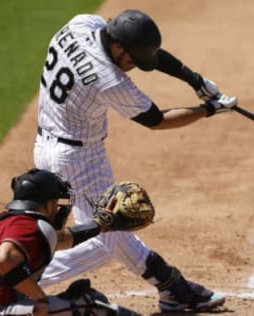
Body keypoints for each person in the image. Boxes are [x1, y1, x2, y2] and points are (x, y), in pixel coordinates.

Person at [33, 8, 236, 313]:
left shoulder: (82, 24)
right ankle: (172, 287)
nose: (135, 67)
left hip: (48, 146)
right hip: (78, 160)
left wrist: (194, 80)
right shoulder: (108, 78)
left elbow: (150, 56)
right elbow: (157, 120)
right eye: (132, 60)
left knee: (89, 238)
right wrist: (209, 110)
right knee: (109, 229)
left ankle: (15, 279)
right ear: (117, 45)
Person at [0, 168, 140, 316]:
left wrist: (98, 225)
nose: (58, 208)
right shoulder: (27, 225)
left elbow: (60, 239)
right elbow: (4, 258)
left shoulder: (6, 220)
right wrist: (39, 298)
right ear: (47, 205)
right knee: (87, 304)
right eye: (56, 202)